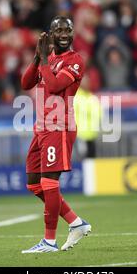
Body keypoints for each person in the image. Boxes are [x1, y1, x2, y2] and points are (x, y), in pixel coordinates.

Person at [20, 16, 91, 253]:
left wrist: (43, 61)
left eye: (67, 30)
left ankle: (49, 241)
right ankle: (75, 222)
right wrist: (37, 56)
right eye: (58, 30)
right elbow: (25, 83)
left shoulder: (75, 61)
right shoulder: (47, 59)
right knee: (34, 183)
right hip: (41, 128)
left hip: (59, 126)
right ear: (51, 35)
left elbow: (53, 85)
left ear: (72, 34)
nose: (63, 34)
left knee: (49, 182)